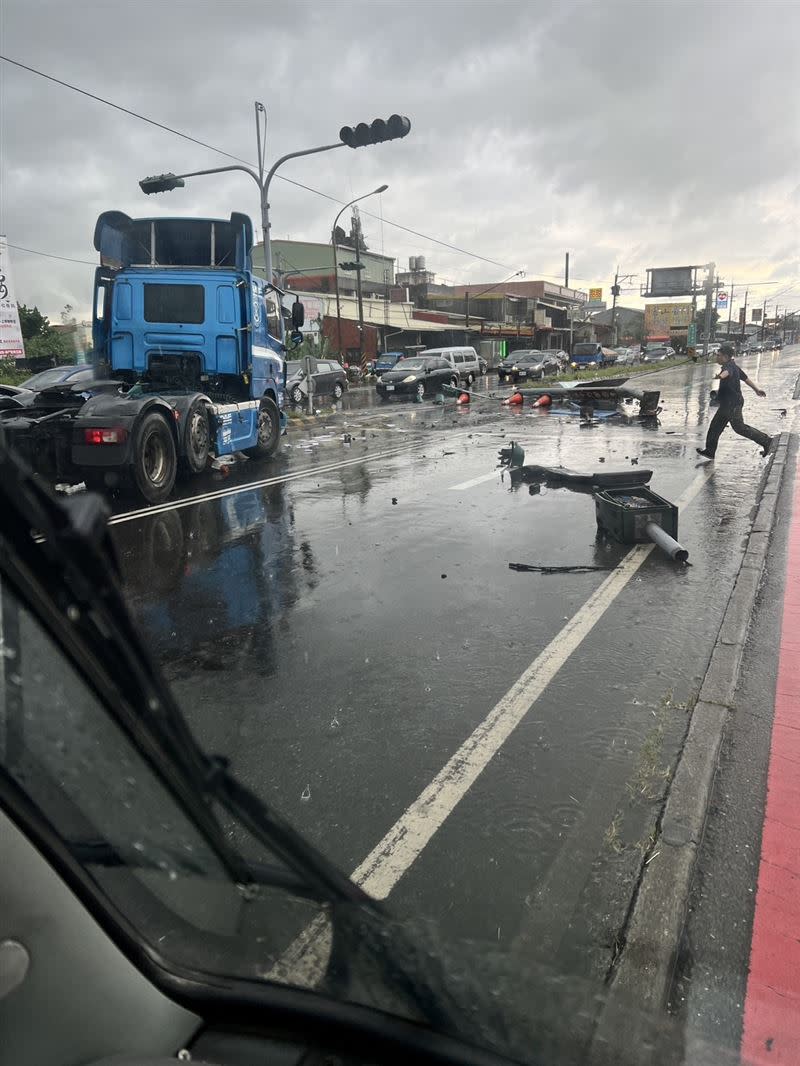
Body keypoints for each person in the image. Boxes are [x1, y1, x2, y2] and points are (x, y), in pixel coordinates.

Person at [696, 343, 773, 459]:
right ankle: (710, 451)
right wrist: (757, 390)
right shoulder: (734, 366)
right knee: (715, 427)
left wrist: (720, 377)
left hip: (733, 404)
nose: (717, 357)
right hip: (727, 404)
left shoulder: (729, 367)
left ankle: (766, 440)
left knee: (739, 428)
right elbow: (746, 379)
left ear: (726, 357)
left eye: (719, 355)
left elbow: (727, 373)